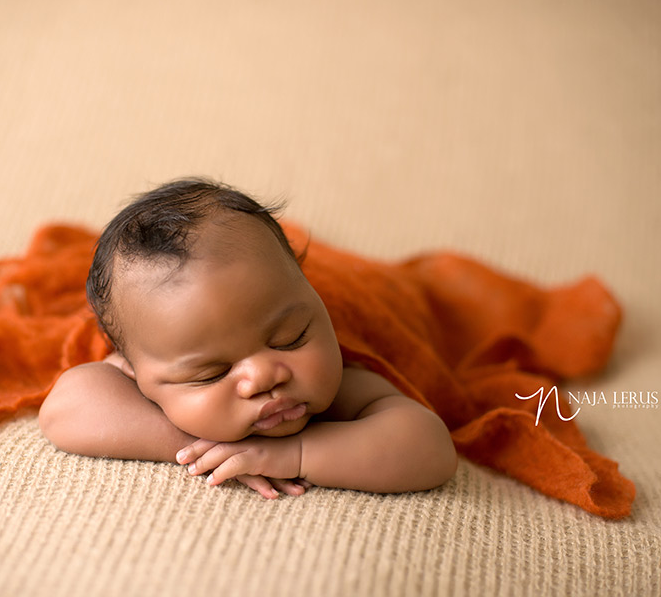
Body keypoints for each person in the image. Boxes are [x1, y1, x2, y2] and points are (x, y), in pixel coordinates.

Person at [38, 178, 458, 499]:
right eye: (211, 373)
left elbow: (430, 449)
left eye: (290, 338)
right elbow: (63, 409)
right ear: (134, 372)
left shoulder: (341, 372)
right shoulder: (152, 348)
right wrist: (203, 447)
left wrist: (295, 454)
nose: (263, 376)